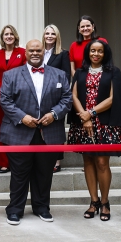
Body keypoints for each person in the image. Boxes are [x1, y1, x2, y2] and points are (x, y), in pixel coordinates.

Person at [0, 39, 72, 225]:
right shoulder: (11, 75)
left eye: (38, 50)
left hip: (49, 132)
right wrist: (22, 117)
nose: (35, 53)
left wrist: (54, 114)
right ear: (25, 53)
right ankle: (15, 209)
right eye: (31, 50)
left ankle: (42, 207)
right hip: (19, 132)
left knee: (44, 173)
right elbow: (5, 100)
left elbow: (67, 99)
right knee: (19, 174)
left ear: (43, 52)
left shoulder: (59, 74)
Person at [66, 40, 121, 222]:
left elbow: (114, 98)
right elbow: (73, 95)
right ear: (88, 53)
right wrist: (84, 117)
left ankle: (105, 202)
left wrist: (90, 113)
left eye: (99, 51)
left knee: (101, 162)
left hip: (104, 123)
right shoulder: (80, 72)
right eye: (92, 51)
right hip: (82, 122)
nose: (96, 54)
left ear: (105, 53)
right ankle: (94, 201)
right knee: (88, 161)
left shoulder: (113, 72)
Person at [0, 25, 26, 174]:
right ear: (2, 37)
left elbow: (25, 74)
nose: (9, 36)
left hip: (19, 98)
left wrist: (16, 93)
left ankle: (18, 162)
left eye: (11, 34)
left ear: (15, 36)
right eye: (6, 34)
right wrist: (0, 94)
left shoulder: (22, 53)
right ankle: (4, 162)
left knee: (19, 130)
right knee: (3, 130)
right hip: (1, 99)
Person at [43, 24, 71, 174]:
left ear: (57, 36)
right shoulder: (38, 52)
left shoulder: (62, 54)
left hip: (56, 96)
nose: (49, 36)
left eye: (52, 34)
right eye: (47, 33)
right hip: (40, 96)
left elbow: (66, 75)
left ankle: (57, 160)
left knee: (57, 128)